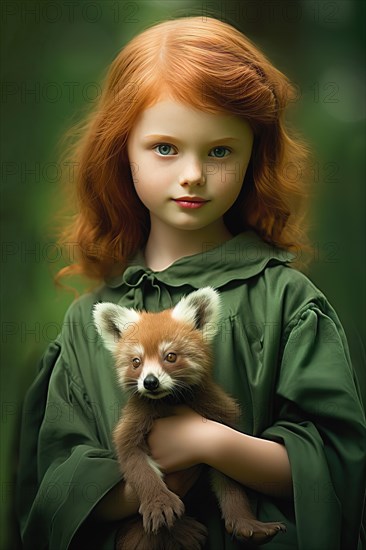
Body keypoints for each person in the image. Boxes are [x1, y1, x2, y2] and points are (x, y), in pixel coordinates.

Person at [16, 15, 365, 550]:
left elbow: (336, 470)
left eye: (220, 150)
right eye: (164, 147)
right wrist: (154, 483)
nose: (193, 174)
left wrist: (209, 443)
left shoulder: (288, 303)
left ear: (254, 157)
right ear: (121, 151)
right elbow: (49, 493)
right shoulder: (91, 323)